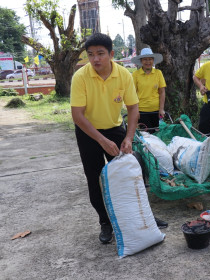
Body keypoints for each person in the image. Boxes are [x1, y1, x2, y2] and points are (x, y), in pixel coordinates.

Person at [70, 33, 167, 244]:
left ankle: (142, 217)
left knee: (130, 174)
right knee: (95, 179)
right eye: (91, 55)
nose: (95, 59)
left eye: (100, 54)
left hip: (115, 128)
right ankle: (105, 223)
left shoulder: (123, 75)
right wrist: (101, 140)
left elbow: (133, 108)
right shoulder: (80, 77)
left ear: (111, 54)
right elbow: (77, 115)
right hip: (88, 132)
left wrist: (129, 138)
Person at [131, 48, 166, 132]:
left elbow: (162, 92)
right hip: (142, 110)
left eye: (150, 59)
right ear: (141, 61)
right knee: (147, 135)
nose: (148, 62)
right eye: (145, 59)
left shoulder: (158, 73)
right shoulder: (136, 74)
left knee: (158, 134)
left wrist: (161, 109)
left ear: (153, 60)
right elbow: (133, 94)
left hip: (156, 110)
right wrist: (136, 111)